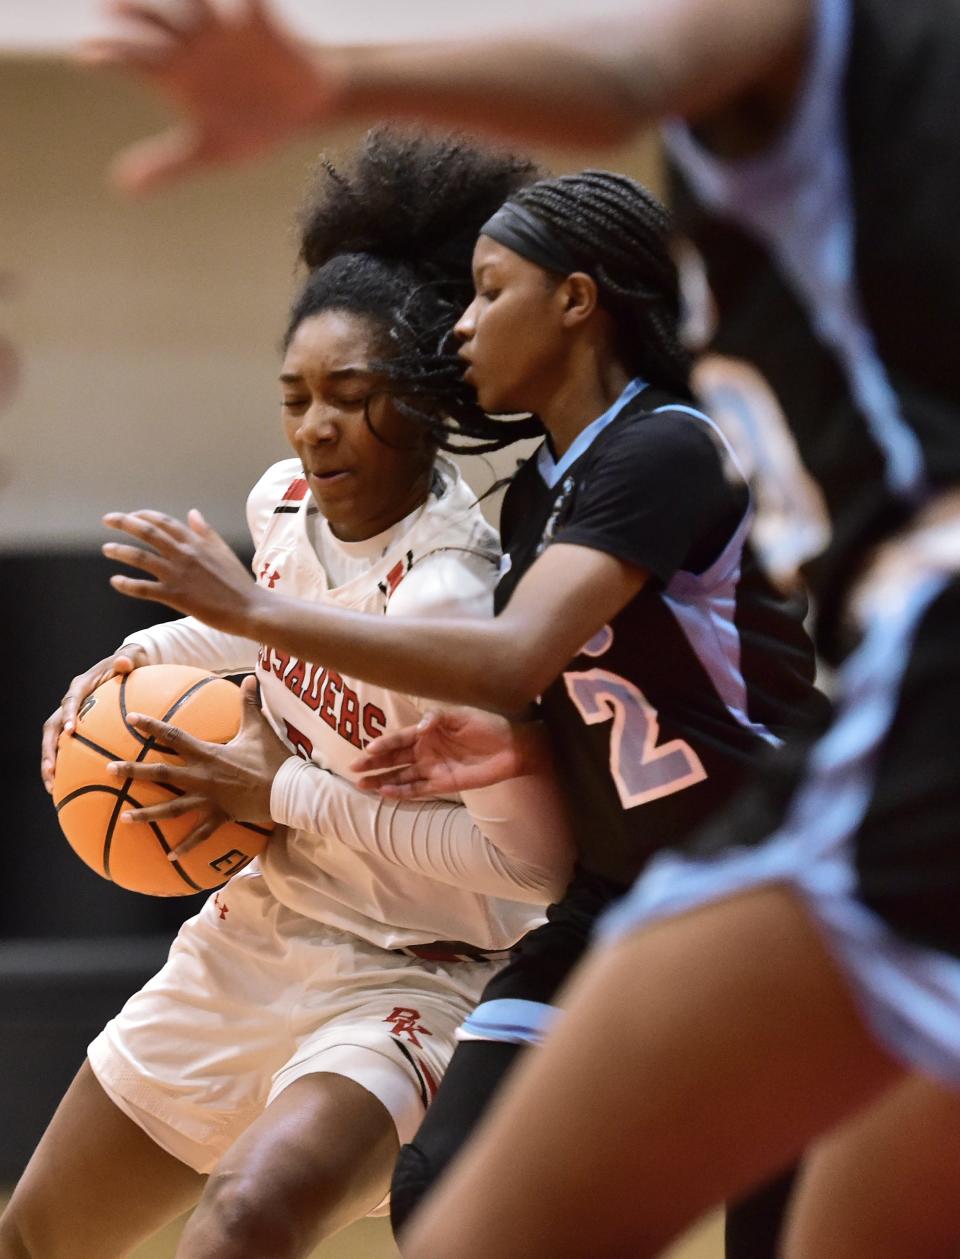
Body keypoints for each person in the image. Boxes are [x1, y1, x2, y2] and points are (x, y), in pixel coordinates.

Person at [84, 1, 960, 1253]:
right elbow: (561, 676)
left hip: (823, 791)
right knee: (452, 1195)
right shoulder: (558, 480)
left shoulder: (664, 445)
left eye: (488, 291)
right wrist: (494, 748)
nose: (457, 323)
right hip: (650, 871)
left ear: (579, 301)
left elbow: (513, 653)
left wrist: (247, 608)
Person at [1, 131, 574, 1259]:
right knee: (36, 1232)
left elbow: (531, 868)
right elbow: (255, 628)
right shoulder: (281, 505)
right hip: (260, 929)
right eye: (296, 395)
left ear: (421, 403)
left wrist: (289, 790)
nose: (315, 425)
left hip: (413, 968)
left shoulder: (451, 601)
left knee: (246, 1220)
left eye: (351, 396)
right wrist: (126, 665)